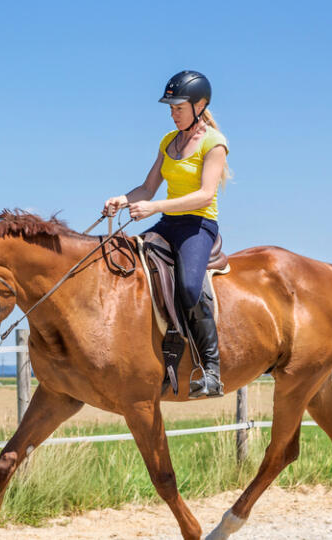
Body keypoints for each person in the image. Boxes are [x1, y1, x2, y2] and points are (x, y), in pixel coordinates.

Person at [103, 70, 231, 397]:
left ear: (200, 105)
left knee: (189, 287)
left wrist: (155, 207)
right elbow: (147, 187)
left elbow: (205, 195)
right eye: (170, 108)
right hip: (168, 223)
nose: (173, 114)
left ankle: (212, 371)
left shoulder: (214, 143)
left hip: (197, 225)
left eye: (178, 108)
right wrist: (123, 199)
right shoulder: (167, 142)